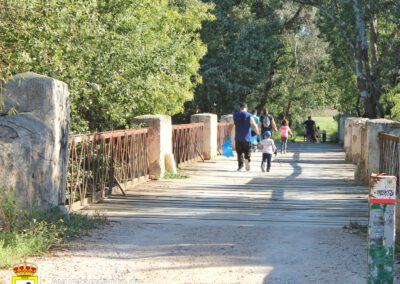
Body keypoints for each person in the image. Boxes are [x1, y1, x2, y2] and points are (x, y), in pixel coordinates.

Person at [233, 103, 260, 171]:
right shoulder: (249, 116)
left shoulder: (235, 115)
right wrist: (258, 134)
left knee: (239, 153)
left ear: (240, 108)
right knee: (247, 151)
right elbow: (254, 125)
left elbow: (233, 125)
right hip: (247, 138)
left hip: (238, 138)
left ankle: (240, 166)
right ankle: (247, 159)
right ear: (246, 108)